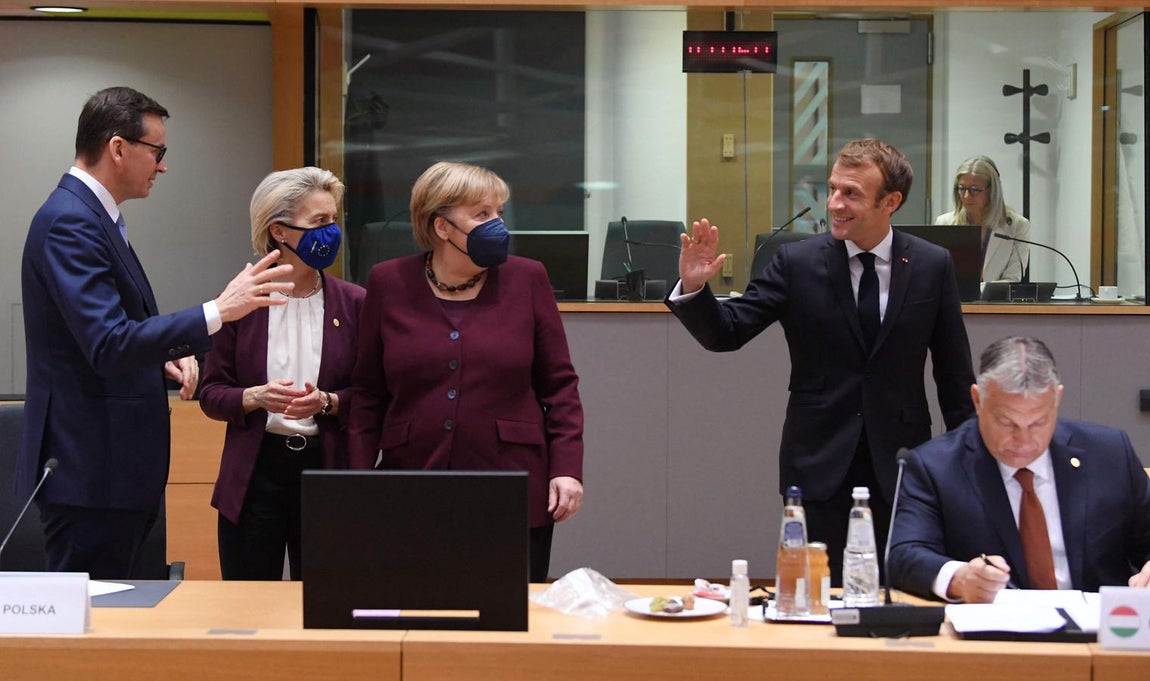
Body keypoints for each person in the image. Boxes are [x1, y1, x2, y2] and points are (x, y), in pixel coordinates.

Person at [667, 138, 975, 584]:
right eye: (832, 189)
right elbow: (727, 333)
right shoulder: (796, 262)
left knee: (901, 593)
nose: (834, 203)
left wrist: (967, 461)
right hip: (818, 460)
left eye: (851, 193)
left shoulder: (931, 265)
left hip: (902, 461)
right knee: (815, 597)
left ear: (891, 202)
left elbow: (953, 374)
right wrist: (694, 289)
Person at [19, 86, 294, 579]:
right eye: (157, 151)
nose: (163, 166)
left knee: (120, 624)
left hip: (113, 470)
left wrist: (159, 355)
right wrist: (218, 310)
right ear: (118, 148)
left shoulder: (94, 217)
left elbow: (106, 336)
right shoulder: (70, 222)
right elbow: (105, 344)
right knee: (91, 634)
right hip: (91, 471)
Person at [348, 161, 584, 582]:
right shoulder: (388, 282)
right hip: (411, 482)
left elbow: (559, 386)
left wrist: (566, 468)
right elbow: (369, 393)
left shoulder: (528, 278)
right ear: (441, 227)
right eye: (481, 214)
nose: (497, 224)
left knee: (507, 624)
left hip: (512, 482)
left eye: (498, 212)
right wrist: (359, 479)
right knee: (417, 615)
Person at [888, 336, 1150, 603]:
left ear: (1057, 398)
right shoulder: (935, 466)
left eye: (1038, 422)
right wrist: (959, 578)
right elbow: (904, 553)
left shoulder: (1108, 454)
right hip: (994, 636)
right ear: (978, 401)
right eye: (1006, 422)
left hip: (1102, 632)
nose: (1023, 440)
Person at [199, 168, 365, 580]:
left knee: (328, 608)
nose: (331, 231)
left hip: (328, 472)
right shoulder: (240, 301)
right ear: (279, 231)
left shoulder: (357, 303)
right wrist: (253, 397)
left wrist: (329, 402)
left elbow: (376, 393)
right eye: (318, 222)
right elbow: (211, 392)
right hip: (255, 475)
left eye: (333, 220)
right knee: (249, 607)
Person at [934, 155, 1031, 282]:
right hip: (953, 300)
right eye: (962, 188)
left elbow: (1013, 278)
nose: (967, 196)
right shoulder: (944, 223)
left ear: (993, 191)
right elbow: (936, 273)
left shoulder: (1017, 226)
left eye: (975, 190)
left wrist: (980, 290)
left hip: (995, 301)